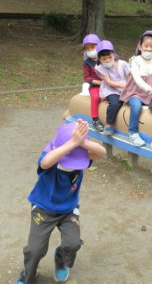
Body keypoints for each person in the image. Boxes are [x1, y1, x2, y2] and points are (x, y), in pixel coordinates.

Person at [15, 119, 106, 284]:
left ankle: (61, 257)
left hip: (69, 209)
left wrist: (82, 142)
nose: (75, 167)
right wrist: (72, 143)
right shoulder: (51, 160)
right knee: (35, 250)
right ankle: (29, 273)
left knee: (73, 243)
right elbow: (45, 162)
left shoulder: (82, 156)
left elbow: (101, 152)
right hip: (43, 209)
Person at [120, 30, 152, 147]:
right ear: (140, 46)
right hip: (135, 92)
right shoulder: (135, 60)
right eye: (146, 46)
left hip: (151, 91)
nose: (149, 49)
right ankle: (133, 132)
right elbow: (137, 79)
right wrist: (148, 88)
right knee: (136, 106)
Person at [95, 40, 130, 136]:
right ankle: (108, 125)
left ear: (113, 54)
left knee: (134, 101)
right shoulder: (101, 68)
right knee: (115, 103)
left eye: (110, 57)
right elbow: (109, 82)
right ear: (99, 58)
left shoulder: (122, 64)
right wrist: (122, 85)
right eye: (104, 59)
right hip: (111, 89)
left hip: (124, 87)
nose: (107, 60)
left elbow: (130, 75)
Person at [82, 34, 104, 132]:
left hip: (109, 84)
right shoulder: (87, 63)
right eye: (87, 48)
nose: (90, 50)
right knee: (95, 97)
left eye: (93, 47)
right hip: (95, 86)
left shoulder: (105, 58)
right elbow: (87, 77)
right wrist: (98, 83)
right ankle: (95, 120)